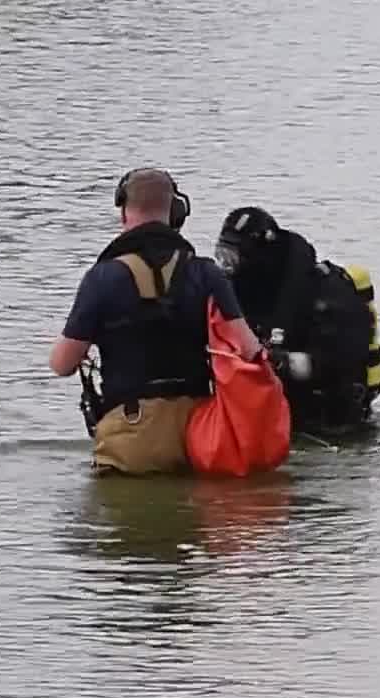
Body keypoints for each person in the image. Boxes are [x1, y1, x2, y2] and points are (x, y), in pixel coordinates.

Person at [48, 168, 261, 475]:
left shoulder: (103, 278)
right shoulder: (206, 273)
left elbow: (62, 365)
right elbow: (248, 350)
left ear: (123, 210)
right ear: (175, 212)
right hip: (200, 435)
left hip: (130, 440)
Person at [215, 206, 380, 438]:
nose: (227, 266)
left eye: (232, 258)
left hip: (332, 424)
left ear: (261, 255)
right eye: (222, 256)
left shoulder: (325, 294)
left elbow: (340, 362)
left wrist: (282, 362)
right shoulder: (241, 293)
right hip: (276, 418)